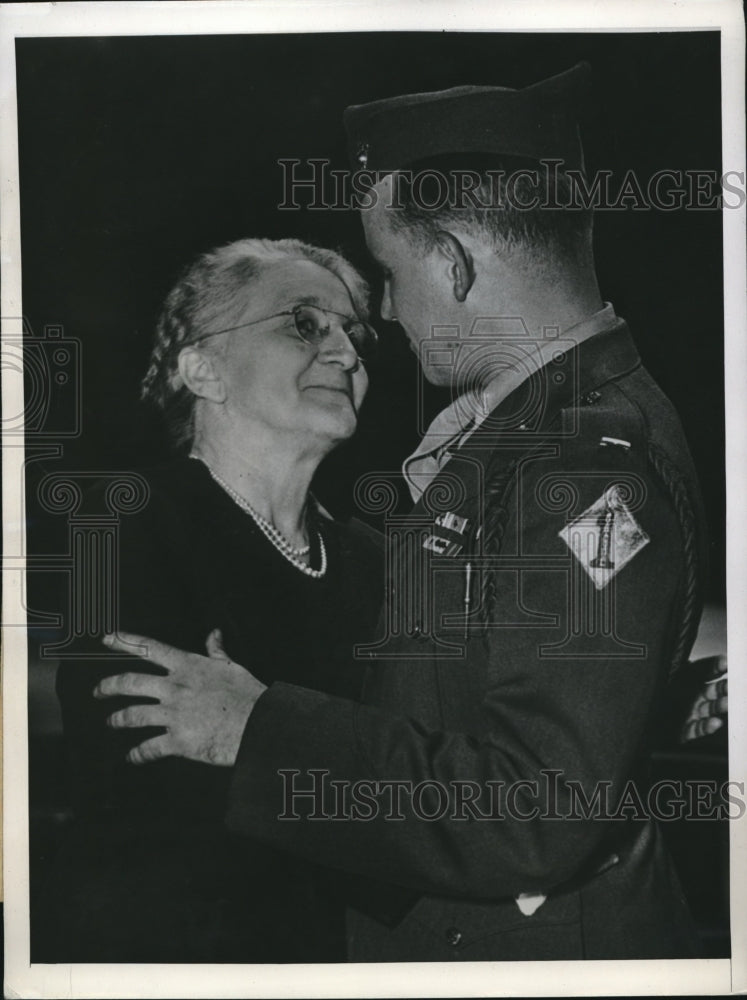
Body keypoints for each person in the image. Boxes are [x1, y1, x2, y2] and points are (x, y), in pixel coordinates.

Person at [96, 65, 712, 960]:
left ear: (455, 263)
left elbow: (539, 806)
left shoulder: (579, 463)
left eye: (384, 277)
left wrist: (256, 727)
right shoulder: (532, 435)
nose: (380, 315)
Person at [52, 237, 387, 962]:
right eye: (302, 322)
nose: (345, 353)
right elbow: (156, 792)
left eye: (351, 330)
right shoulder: (122, 527)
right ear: (202, 370)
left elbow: (439, 759)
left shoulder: (376, 562)